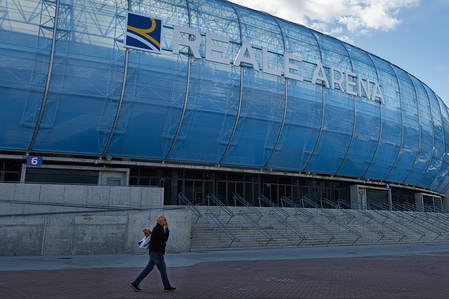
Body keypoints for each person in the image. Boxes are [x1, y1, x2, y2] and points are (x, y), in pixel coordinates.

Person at [130, 216, 176, 292]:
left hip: (153, 252)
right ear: (160, 221)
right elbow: (165, 238)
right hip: (156, 253)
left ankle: (135, 283)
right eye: (164, 220)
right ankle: (167, 286)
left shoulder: (158, 228)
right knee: (163, 270)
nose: (166, 221)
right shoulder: (158, 229)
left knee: (148, 269)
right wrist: (167, 229)